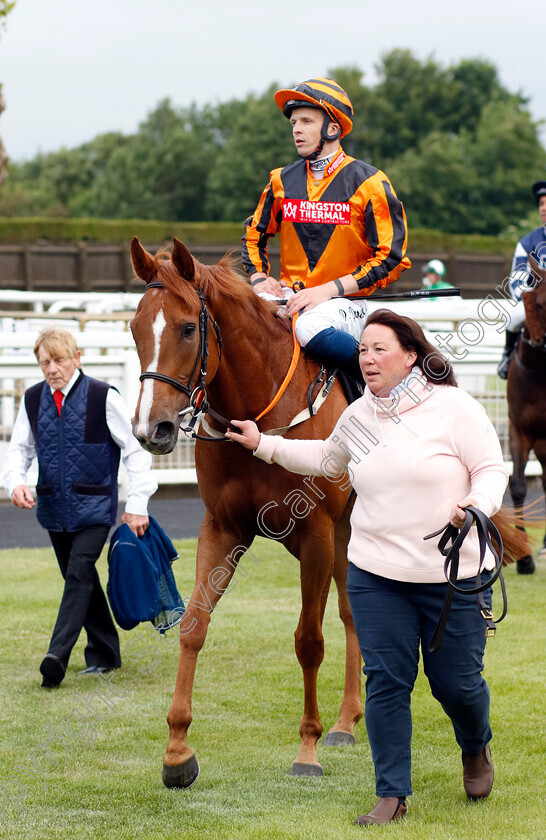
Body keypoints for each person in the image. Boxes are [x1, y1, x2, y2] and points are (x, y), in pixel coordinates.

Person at [226, 309, 508, 825]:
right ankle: (391, 793)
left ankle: (475, 746)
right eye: (362, 350)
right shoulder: (359, 416)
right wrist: (262, 444)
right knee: (385, 681)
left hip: (451, 577)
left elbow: (491, 469)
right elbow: (327, 460)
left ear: (410, 355)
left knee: (457, 685)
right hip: (377, 575)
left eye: (379, 349)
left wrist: (475, 508)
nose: (368, 359)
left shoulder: (454, 408)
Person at [2, 327, 158, 688]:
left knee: (77, 574)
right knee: (82, 578)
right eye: (45, 362)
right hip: (53, 509)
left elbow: (135, 450)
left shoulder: (103, 396)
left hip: (95, 508)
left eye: (58, 360)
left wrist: (137, 503)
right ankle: (106, 654)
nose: (52, 368)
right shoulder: (32, 399)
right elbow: (19, 450)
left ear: (76, 358)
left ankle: (57, 656)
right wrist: (16, 482)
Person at [242, 77, 411, 377]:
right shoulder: (281, 180)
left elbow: (390, 258)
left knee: (309, 327)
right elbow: (255, 234)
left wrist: (326, 291)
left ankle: (376, 387)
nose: (296, 129)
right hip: (289, 297)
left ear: (332, 128)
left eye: (307, 121)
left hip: (346, 302)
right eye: (294, 122)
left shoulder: (370, 183)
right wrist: (257, 277)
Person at [497, 180, 546, 379]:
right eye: (541, 204)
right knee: (514, 315)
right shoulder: (527, 243)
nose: (543, 208)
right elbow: (516, 280)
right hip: (537, 303)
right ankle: (508, 356)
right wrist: (531, 301)